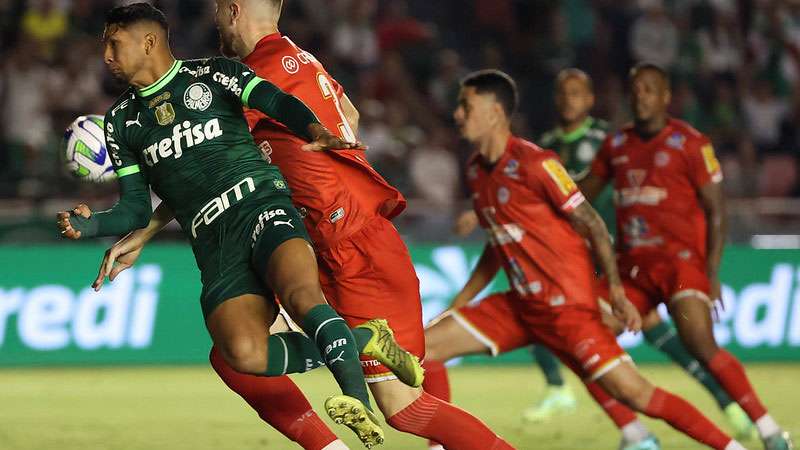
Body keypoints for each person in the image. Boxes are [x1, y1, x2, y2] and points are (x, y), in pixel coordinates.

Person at [95, 1, 514, 449]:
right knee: (237, 353)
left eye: (219, 11)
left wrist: (144, 231)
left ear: (234, 10)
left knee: (405, 409)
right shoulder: (297, 57)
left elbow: (198, 162)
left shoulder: (250, 73)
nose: (216, 21)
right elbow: (348, 115)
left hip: (351, 246)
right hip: (321, 235)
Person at [57, 3, 402, 447]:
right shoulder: (122, 123)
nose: (105, 53)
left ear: (148, 42)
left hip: (261, 208)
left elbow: (274, 100)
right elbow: (135, 210)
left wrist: (313, 128)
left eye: (113, 42)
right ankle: (362, 339)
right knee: (244, 353)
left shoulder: (212, 74)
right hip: (214, 246)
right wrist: (91, 226)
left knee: (303, 297)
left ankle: (359, 405)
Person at [422, 69, 748, 450]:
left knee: (637, 394)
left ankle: (729, 446)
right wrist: (459, 303)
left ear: (495, 112)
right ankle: (438, 446)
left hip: (569, 311)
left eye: (466, 105)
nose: (458, 114)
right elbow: (497, 243)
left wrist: (614, 290)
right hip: (521, 307)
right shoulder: (477, 171)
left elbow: (592, 223)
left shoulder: (537, 163)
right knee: (422, 348)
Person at [524, 67, 755, 444]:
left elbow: (615, 188)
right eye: (562, 93)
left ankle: (690, 412)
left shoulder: (607, 140)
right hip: (573, 252)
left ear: (590, 99)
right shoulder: (547, 143)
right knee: (562, 323)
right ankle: (576, 398)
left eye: (576, 93)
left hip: (617, 250)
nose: (568, 100)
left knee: (625, 330)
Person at [580, 63, 794, 450]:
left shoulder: (691, 143)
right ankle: (635, 433)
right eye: (636, 90)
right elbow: (582, 196)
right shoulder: (616, 145)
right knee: (580, 336)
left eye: (649, 90)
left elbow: (717, 209)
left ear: (665, 97)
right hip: (632, 270)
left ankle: (768, 429)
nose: (641, 96)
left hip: (678, 264)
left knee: (699, 341)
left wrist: (711, 274)